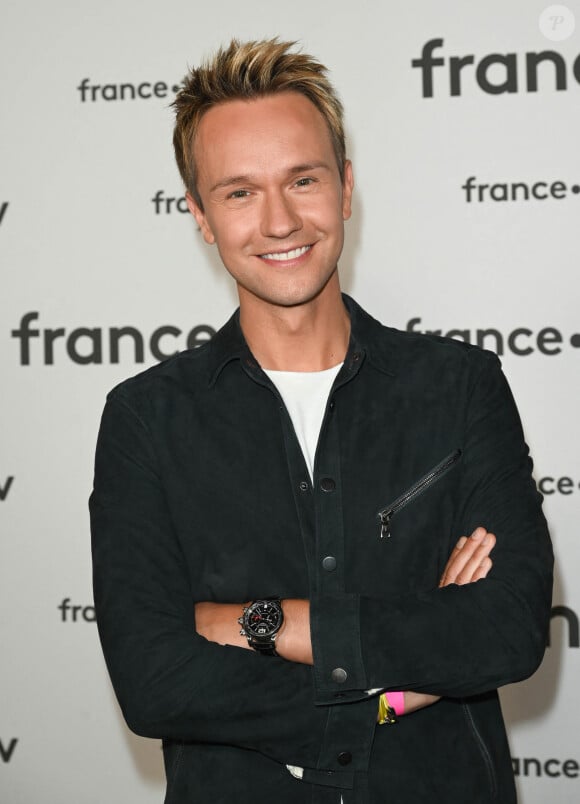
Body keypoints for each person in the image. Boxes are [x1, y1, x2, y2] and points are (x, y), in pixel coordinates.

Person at [90, 38, 553, 804]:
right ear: (200, 216)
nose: (278, 221)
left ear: (344, 187)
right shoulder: (146, 419)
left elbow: (505, 629)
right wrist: (403, 682)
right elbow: (156, 682)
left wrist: (257, 624)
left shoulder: (460, 387)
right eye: (238, 193)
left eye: (301, 180)